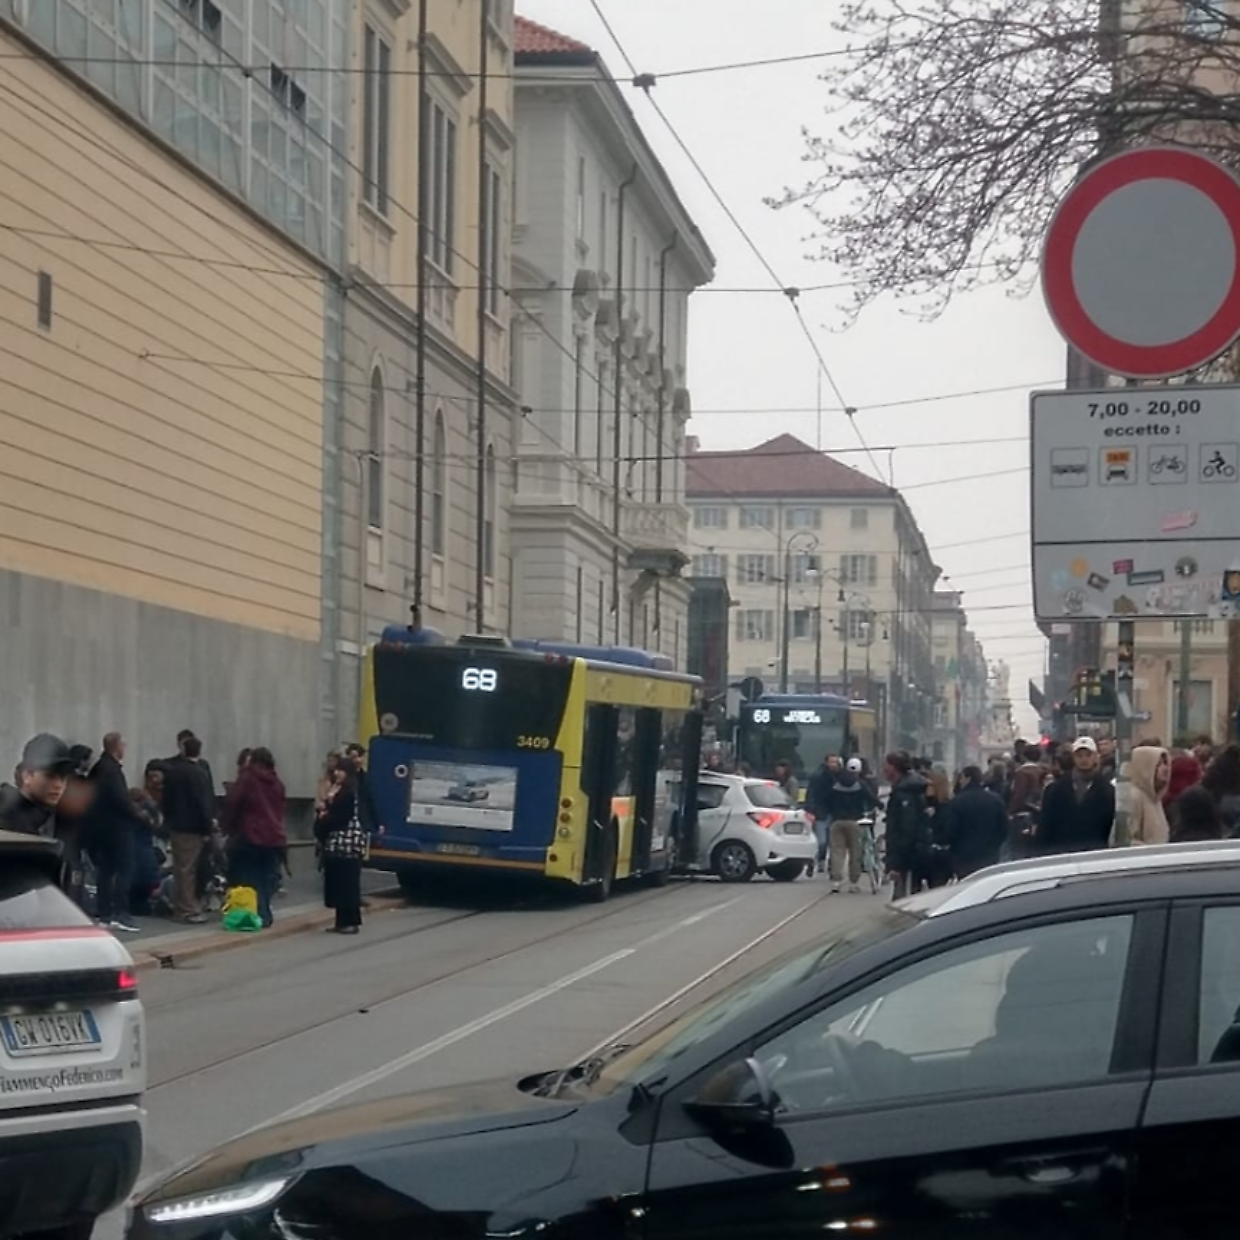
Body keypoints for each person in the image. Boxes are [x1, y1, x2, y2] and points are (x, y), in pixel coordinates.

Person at [86, 733, 146, 933]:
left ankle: (105, 914)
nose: (124, 748)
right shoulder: (111, 770)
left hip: (101, 828)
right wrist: (140, 815)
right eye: (123, 745)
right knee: (125, 868)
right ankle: (121, 913)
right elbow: (120, 800)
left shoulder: (99, 768)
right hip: (117, 828)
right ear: (116, 747)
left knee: (105, 871)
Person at [222, 747, 287, 929]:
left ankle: (252, 913)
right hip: (273, 836)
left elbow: (233, 803)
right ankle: (265, 912)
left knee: (248, 875)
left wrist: (227, 826)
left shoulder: (248, 779)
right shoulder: (277, 783)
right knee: (266, 876)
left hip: (250, 834)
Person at [160, 733, 217, 923]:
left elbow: (166, 800)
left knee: (181, 869)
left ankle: (182, 907)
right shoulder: (200, 773)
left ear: (183, 750)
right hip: (195, 827)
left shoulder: (174, 772)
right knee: (188, 870)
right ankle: (187, 909)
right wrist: (208, 827)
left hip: (178, 825)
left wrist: (168, 819)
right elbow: (203, 803)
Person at [315, 757, 368, 934]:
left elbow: (341, 816)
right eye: (336, 770)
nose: (337, 773)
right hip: (335, 842)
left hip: (346, 842)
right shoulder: (335, 788)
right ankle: (341, 921)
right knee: (339, 883)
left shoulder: (349, 792)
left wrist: (325, 818)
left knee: (348, 883)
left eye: (341, 770)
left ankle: (350, 922)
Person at [1036, 736, 1115, 855]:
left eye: (1088, 755)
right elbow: (1045, 824)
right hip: (1061, 853)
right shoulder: (1055, 790)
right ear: (1073, 758)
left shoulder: (1107, 791)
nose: (1084, 759)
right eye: (1079, 755)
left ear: (1095, 757)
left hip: (1094, 854)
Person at [820, 757, 881, 893]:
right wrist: (880, 806)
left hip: (837, 821)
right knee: (855, 852)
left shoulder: (835, 784)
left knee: (837, 852)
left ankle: (836, 881)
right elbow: (871, 798)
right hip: (855, 822)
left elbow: (826, 800)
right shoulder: (860, 784)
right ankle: (854, 882)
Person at [0, 733, 76, 838]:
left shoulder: (61, 819)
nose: (58, 785)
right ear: (27, 775)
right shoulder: (6, 819)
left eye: (63, 778)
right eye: (50, 776)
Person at [947, 765, 1009, 878]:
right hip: (989, 853)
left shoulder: (958, 801)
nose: (960, 781)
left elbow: (951, 829)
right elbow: (1003, 828)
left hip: (964, 854)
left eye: (962, 778)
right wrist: (994, 845)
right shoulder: (995, 800)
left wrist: (954, 848)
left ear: (968, 778)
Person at [882, 751, 929, 898]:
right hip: (912, 854)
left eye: (886, 765)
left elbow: (906, 828)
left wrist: (896, 862)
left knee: (904, 898)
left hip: (907, 857)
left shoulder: (905, 793)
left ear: (895, 767)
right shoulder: (905, 789)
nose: (883, 768)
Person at [1121, 746, 1171, 846]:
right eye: (1158, 764)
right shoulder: (1134, 797)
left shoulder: (1154, 797)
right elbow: (1125, 840)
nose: (1165, 769)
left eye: (1165, 763)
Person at [806, 754, 843, 877]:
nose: (833, 765)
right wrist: (811, 809)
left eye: (836, 762)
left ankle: (832, 866)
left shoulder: (840, 777)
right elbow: (811, 794)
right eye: (831, 762)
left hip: (836, 813)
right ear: (826, 763)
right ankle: (813, 861)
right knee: (821, 841)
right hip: (821, 813)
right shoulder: (818, 777)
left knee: (834, 843)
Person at [1201, 743, 1240, 836]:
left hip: (1219, 799)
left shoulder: (1219, 762)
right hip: (1233, 797)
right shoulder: (1234, 763)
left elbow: (1207, 782)